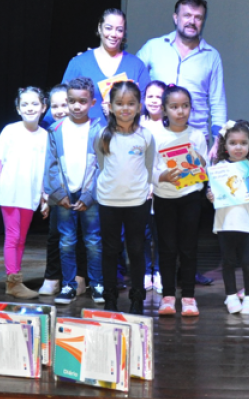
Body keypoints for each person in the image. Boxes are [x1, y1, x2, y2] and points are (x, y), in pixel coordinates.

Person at [96, 81, 156, 314]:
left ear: (139, 106)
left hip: (137, 202)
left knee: (137, 250)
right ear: (110, 107)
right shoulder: (102, 135)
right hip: (108, 201)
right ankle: (110, 297)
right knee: (110, 250)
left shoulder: (146, 136)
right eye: (119, 104)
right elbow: (102, 166)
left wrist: (146, 191)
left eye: (131, 104)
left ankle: (137, 298)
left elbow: (149, 168)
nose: (125, 108)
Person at [45, 77, 105, 306]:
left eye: (82, 101)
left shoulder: (98, 129)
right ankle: (69, 285)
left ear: (92, 102)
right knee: (66, 241)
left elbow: (102, 166)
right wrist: (58, 195)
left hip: (90, 194)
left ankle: (97, 284)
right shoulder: (56, 129)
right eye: (72, 101)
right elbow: (50, 165)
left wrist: (90, 195)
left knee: (93, 240)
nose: (76, 106)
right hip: (64, 196)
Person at [0, 87, 48, 299]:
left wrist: (44, 197)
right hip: (11, 192)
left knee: (21, 238)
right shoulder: (10, 130)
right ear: (18, 108)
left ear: (43, 107)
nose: (30, 108)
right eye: (25, 104)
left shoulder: (46, 136)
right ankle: (12, 280)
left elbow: (44, 170)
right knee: (13, 236)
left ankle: (16, 279)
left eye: (34, 104)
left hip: (29, 195)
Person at [137, 0, 226, 141]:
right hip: (154, 135)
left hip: (195, 136)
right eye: (187, 15)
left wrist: (219, 140)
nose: (192, 21)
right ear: (175, 17)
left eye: (198, 17)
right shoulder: (153, 47)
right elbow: (133, 84)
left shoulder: (212, 56)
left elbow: (218, 102)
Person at [152, 85, 208, 317]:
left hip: (191, 197)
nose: (180, 111)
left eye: (185, 106)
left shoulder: (196, 135)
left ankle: (188, 297)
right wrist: (161, 177)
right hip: (164, 197)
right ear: (164, 110)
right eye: (174, 107)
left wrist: (199, 161)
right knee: (166, 248)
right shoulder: (156, 135)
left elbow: (204, 167)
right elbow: (150, 168)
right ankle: (167, 296)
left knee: (188, 248)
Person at [207, 120, 249, 314]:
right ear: (225, 146)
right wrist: (210, 196)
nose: (238, 147)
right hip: (225, 224)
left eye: (243, 143)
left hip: (248, 224)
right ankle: (231, 295)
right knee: (228, 262)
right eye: (233, 143)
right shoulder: (219, 169)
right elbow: (214, 194)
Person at [52, 8, 150, 126]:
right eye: (108, 28)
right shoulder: (79, 63)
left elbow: (148, 105)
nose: (113, 34)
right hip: (84, 139)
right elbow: (60, 101)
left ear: (124, 33)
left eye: (119, 30)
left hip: (125, 138)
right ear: (100, 28)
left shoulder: (136, 65)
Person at [38, 84, 70, 296]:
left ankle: (76, 277)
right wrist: (46, 194)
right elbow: (46, 165)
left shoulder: (85, 129)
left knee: (81, 236)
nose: (59, 110)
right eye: (55, 106)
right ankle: (52, 277)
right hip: (56, 192)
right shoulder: (49, 131)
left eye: (64, 105)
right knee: (55, 234)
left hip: (80, 190)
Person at [140, 80, 168, 293]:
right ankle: (144, 272)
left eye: (159, 97)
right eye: (150, 96)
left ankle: (158, 271)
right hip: (139, 187)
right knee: (142, 232)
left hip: (164, 187)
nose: (154, 100)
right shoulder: (137, 123)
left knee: (161, 232)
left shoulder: (170, 127)